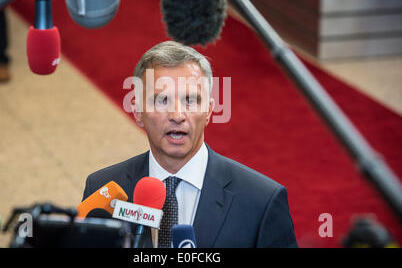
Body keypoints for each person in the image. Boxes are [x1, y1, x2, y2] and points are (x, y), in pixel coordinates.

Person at [82, 41, 297, 248]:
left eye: (190, 101)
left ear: (209, 111)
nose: (177, 115)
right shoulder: (102, 188)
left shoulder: (261, 200)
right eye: (162, 101)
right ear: (138, 112)